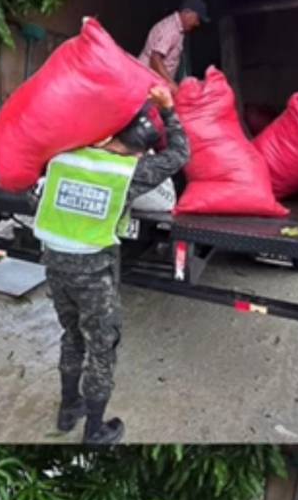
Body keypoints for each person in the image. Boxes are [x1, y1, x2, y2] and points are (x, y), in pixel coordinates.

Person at [33, 85, 190, 444]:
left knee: (71, 336)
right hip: (93, 270)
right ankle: (94, 430)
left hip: (55, 265)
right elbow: (181, 153)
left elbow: (36, 194)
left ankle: (67, 409)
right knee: (101, 348)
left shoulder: (64, 157)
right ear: (138, 150)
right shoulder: (127, 173)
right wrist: (168, 109)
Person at [138, 0, 211, 93]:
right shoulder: (171, 30)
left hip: (153, 84)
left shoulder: (178, 28)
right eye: (197, 19)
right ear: (187, 12)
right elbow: (155, 58)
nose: (197, 24)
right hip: (146, 84)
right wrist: (172, 84)